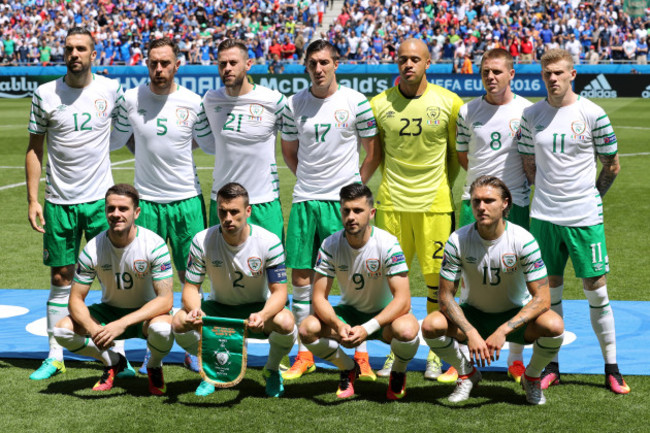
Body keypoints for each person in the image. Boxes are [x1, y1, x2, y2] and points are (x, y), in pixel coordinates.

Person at [518, 48, 630, 394]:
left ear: (572, 74)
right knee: (549, 295)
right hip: (544, 218)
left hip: (583, 218)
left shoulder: (593, 114)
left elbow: (611, 164)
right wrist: (547, 194)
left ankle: (611, 367)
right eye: (547, 73)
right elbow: (528, 163)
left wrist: (593, 197)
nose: (553, 78)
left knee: (597, 292)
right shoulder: (531, 114)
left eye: (559, 72)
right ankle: (553, 366)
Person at [25, 27, 133, 380]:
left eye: (81, 48)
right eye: (69, 48)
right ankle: (55, 354)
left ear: (93, 53)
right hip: (59, 201)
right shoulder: (44, 94)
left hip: (102, 203)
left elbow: (130, 135)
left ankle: (117, 354)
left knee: (110, 280)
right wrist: (32, 199)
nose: (74, 54)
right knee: (60, 277)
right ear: (64, 52)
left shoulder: (109, 90)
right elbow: (34, 148)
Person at [110, 37, 214, 374]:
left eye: (165, 63)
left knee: (190, 278)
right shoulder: (130, 99)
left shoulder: (193, 102)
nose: (159, 69)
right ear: (147, 63)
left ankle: (193, 346)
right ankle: (149, 348)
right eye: (154, 63)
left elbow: (203, 142)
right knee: (146, 281)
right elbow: (122, 137)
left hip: (186, 201)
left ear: (176, 65)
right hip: (147, 204)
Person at [281, 39, 381, 381]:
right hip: (306, 200)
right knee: (301, 279)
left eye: (324, 62)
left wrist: (354, 187)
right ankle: (304, 353)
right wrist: (311, 183)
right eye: (312, 64)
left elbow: (372, 152)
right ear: (306, 67)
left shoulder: (356, 102)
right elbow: (290, 152)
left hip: (342, 205)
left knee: (355, 281)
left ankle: (361, 353)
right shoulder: (294, 104)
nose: (319, 69)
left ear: (336, 63)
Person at [421, 176, 565, 405]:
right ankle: (466, 374)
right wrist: (470, 332)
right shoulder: (457, 240)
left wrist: (503, 330)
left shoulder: (523, 240)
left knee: (554, 325)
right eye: (476, 201)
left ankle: (532, 377)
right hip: (474, 315)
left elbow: (543, 299)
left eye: (489, 200)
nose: (481, 207)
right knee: (431, 325)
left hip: (515, 316)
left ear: (505, 203)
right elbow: (445, 296)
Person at [369, 37, 463, 380]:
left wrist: (438, 187)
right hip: (391, 205)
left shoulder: (449, 102)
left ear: (428, 63)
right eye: (402, 59)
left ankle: (438, 351)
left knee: (440, 286)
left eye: (415, 59)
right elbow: (376, 155)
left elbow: (455, 157)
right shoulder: (379, 104)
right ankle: (398, 352)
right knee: (394, 285)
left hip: (435, 207)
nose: (408, 64)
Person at [171, 183, 297, 397]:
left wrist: (263, 315)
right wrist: (195, 309)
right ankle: (208, 367)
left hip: (256, 309)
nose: (227, 217)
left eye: (234, 212)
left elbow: (279, 293)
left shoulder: (269, 242)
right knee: (179, 321)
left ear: (248, 211)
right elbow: (191, 288)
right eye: (222, 211)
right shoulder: (202, 240)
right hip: (218, 308)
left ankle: (272, 369)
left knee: (286, 322)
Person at [454, 48, 533, 383]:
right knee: (464, 277)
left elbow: (531, 160)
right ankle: (461, 360)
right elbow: (462, 155)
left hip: (517, 206)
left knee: (519, 280)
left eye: (497, 71)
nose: (490, 77)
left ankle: (516, 358)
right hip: (473, 204)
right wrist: (481, 194)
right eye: (486, 71)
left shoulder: (527, 111)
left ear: (511, 74)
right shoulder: (468, 110)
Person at [300, 184, 420, 400]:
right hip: (349, 313)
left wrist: (368, 328)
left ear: (371, 214)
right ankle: (348, 368)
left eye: (358, 210)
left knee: (408, 330)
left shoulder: (388, 243)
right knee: (307, 329)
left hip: (384, 316)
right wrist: (338, 325)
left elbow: (403, 300)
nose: (351, 217)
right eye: (346, 211)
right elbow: (319, 297)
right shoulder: (330, 244)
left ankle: (398, 371)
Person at [53, 184, 174, 395]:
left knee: (162, 330)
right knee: (62, 330)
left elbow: (165, 300)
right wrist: (94, 330)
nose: (116, 214)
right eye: (111, 209)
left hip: (146, 314)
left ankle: (154, 365)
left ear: (136, 212)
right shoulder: (92, 248)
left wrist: (121, 324)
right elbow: (75, 300)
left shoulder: (154, 244)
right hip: (109, 311)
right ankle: (113, 361)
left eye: (123, 209)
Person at [203, 38, 288, 242]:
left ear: (248, 64)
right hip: (222, 203)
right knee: (221, 270)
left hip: (263, 201)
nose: (227, 68)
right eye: (223, 64)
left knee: (270, 271)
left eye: (233, 63)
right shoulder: (210, 100)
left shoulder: (274, 100)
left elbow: (295, 141)